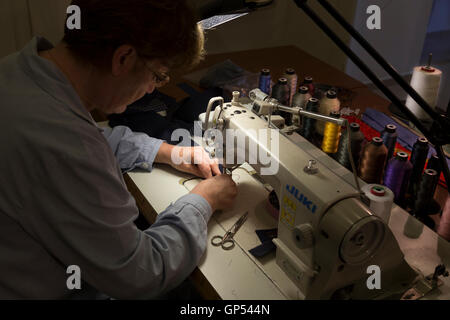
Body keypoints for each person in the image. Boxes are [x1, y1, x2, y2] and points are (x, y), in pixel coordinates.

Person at [0, 0, 237, 299]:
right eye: (158, 76)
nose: (153, 89)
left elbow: (98, 137)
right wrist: (204, 200)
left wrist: (168, 152)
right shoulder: (63, 144)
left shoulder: (23, 71)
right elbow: (141, 273)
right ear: (123, 58)